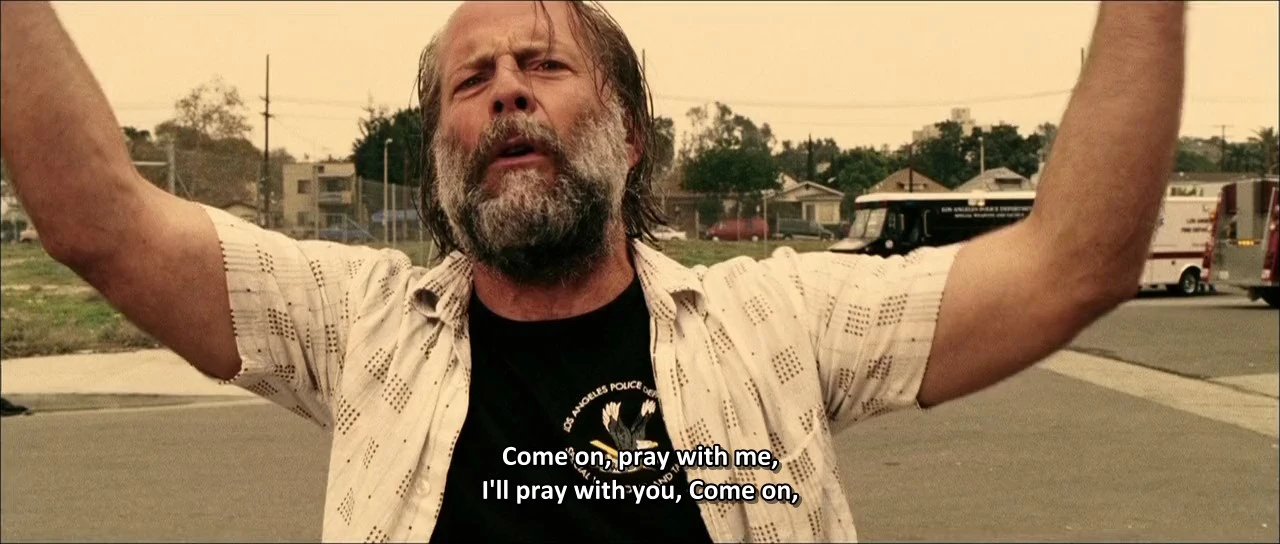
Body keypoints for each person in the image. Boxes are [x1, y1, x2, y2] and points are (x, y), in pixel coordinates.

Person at [0, 1, 1186, 541]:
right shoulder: (357, 327)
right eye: (470, 80)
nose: (505, 90)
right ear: (440, 152)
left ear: (628, 132)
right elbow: (100, 221)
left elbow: (1069, 262)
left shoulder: (772, 321)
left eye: (545, 66)